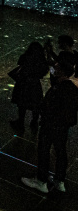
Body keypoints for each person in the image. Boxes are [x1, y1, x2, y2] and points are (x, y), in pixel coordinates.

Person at [21, 61, 78, 193]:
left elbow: (49, 106)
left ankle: (41, 181)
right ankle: (59, 180)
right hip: (63, 127)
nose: (54, 69)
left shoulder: (59, 89)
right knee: (61, 151)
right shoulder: (72, 88)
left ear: (62, 71)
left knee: (44, 150)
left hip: (51, 124)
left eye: (57, 68)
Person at [9, 42, 50, 134]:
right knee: (35, 103)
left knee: (22, 103)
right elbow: (44, 71)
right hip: (35, 84)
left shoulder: (25, 57)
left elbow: (20, 63)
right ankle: (34, 122)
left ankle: (21, 122)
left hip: (24, 83)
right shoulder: (42, 60)